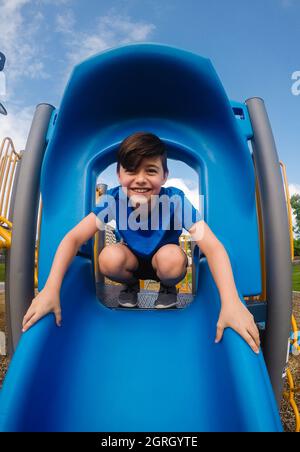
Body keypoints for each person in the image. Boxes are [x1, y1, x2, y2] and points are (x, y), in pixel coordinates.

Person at [22, 132, 260, 354]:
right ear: (119, 174)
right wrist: (50, 289)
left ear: (164, 176)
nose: (140, 180)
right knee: (109, 258)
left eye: (151, 171)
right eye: (131, 170)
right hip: (132, 263)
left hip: (164, 264)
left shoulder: (174, 199)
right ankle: (132, 286)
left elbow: (213, 247)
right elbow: (73, 238)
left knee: (172, 258)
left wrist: (231, 301)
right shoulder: (113, 199)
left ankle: (167, 288)